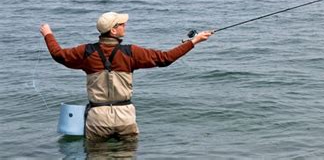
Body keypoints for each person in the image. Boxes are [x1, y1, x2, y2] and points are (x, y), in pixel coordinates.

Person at [40, 11, 213, 142]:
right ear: (114, 30)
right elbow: (165, 59)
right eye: (122, 24)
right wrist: (194, 42)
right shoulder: (131, 52)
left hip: (97, 118)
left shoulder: (86, 52)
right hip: (125, 117)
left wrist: (48, 33)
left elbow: (59, 55)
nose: (125, 26)